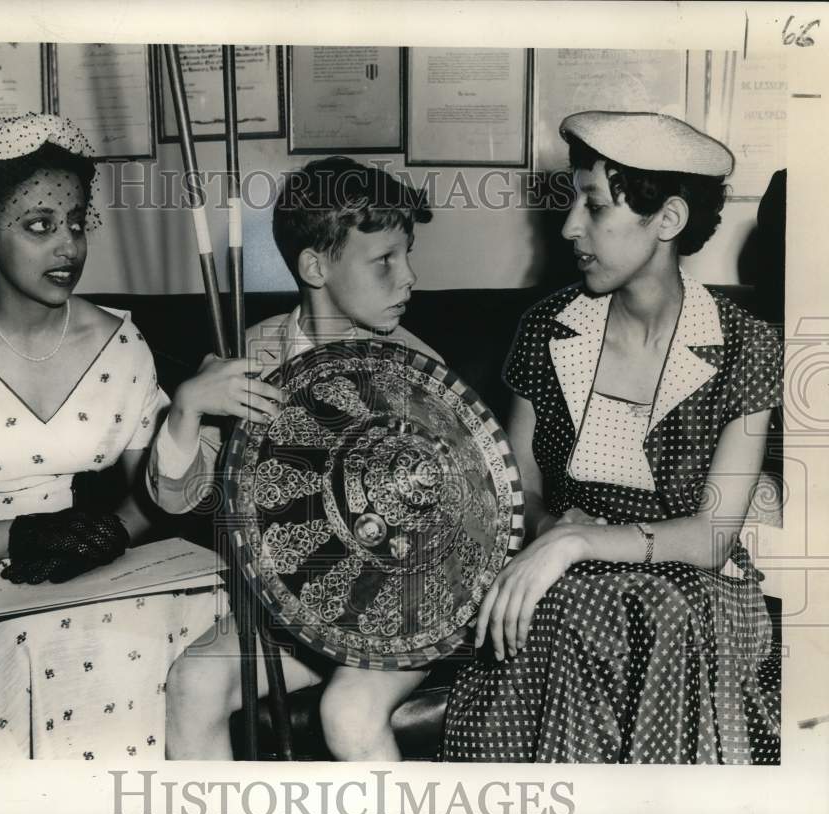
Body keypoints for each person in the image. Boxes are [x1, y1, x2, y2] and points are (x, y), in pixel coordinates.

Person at [0, 113, 266, 759]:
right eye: (39, 227)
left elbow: (158, 496)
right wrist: (20, 536)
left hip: (102, 571)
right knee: (60, 646)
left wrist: (112, 529)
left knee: (133, 638)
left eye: (77, 222)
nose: (69, 247)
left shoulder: (119, 343)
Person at [441, 111, 782, 764]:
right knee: (567, 603)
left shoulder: (745, 346)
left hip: (695, 592)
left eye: (594, 206)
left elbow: (711, 535)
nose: (571, 227)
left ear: (669, 220)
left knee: (662, 610)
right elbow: (518, 494)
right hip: (565, 575)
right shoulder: (547, 328)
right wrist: (554, 535)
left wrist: (578, 541)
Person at [158, 156, 443, 761]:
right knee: (194, 681)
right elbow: (173, 497)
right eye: (384, 260)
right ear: (315, 266)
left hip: (406, 607)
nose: (409, 277)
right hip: (298, 609)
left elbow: (455, 534)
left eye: (407, 253)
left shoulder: (420, 373)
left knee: (347, 713)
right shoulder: (254, 352)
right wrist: (186, 409)